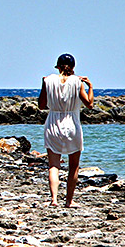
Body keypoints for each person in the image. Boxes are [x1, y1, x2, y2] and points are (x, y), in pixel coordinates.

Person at [38, 53, 94, 208]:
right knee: (73, 166)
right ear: (73, 67)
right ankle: (69, 201)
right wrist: (90, 87)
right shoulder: (77, 82)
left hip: (53, 122)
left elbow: (41, 105)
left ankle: (54, 200)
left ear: (57, 66)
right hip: (72, 123)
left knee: (53, 165)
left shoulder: (47, 80)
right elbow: (89, 104)